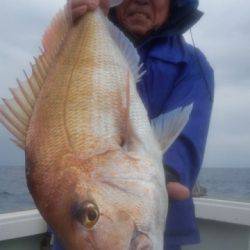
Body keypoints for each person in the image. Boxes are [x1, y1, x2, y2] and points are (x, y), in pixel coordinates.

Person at [53, 0, 214, 249]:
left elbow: (187, 133)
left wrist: (169, 172)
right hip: (83, 228)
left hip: (151, 220)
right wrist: (69, 28)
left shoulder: (191, 64)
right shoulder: (73, 42)